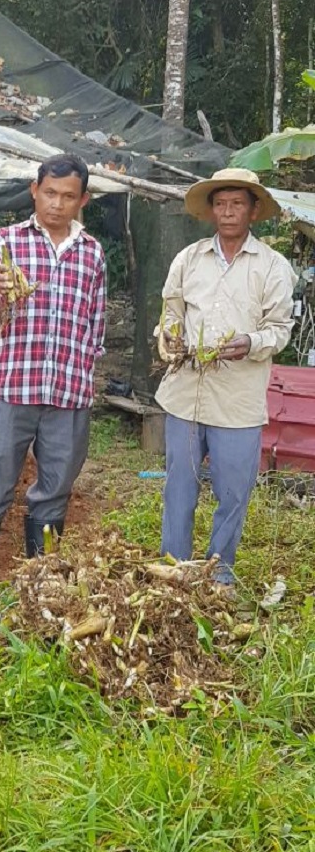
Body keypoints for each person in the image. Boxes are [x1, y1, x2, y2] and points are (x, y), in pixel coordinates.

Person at [0, 153, 106, 600]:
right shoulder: (6, 242)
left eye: (68, 196)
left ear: (82, 200)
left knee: (55, 488)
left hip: (69, 391)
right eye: (50, 193)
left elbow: (95, 326)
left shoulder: (92, 252)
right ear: (34, 191)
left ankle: (39, 579)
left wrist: (85, 374)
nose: (57, 204)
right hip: (14, 387)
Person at [156, 168, 295, 586]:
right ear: (211, 210)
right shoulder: (189, 258)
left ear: (253, 210)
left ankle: (220, 577)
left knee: (233, 493)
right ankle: (174, 572)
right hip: (185, 394)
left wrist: (250, 342)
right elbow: (171, 312)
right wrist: (169, 335)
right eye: (221, 204)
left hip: (238, 400)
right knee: (179, 488)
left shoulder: (272, 266)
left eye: (237, 204)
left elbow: (280, 329)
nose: (228, 212)